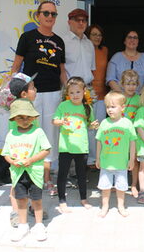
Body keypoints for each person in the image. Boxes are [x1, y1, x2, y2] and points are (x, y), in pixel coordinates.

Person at [11, 0, 67, 196]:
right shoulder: (27, 38)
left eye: (53, 14)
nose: (50, 17)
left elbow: (61, 70)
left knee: (50, 136)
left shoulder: (59, 41)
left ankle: (47, 178)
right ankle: (26, 176)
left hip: (53, 93)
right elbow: (16, 66)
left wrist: (66, 91)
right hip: (31, 95)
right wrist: (12, 90)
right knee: (30, 132)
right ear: (38, 16)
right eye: (46, 13)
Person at [1, 99, 51, 242]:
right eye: (20, 117)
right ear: (14, 119)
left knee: (37, 200)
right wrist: (12, 161)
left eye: (28, 117)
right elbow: (6, 154)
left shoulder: (38, 132)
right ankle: (23, 225)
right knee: (21, 199)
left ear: (34, 117)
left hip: (34, 172)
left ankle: (39, 225)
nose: (24, 120)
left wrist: (31, 160)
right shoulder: (11, 134)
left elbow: (46, 150)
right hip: (18, 174)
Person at [53, 77, 99, 213]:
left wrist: (94, 125)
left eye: (78, 92)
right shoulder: (63, 106)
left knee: (82, 175)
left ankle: (84, 199)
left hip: (81, 147)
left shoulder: (87, 107)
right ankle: (62, 200)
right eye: (71, 93)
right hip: (65, 146)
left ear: (84, 91)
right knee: (62, 174)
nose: (75, 95)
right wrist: (60, 122)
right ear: (67, 93)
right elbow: (54, 120)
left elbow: (90, 125)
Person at [61, 9, 97, 169]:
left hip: (87, 89)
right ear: (69, 22)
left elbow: (91, 69)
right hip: (70, 91)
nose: (81, 23)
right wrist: (66, 91)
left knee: (87, 128)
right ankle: (68, 170)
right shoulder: (62, 41)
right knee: (70, 128)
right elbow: (59, 68)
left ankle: (82, 168)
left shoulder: (89, 43)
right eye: (77, 20)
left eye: (84, 20)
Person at [95, 91, 137, 218]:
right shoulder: (104, 123)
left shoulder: (127, 124)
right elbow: (99, 142)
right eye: (108, 107)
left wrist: (131, 159)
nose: (110, 110)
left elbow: (132, 142)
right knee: (105, 186)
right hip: (106, 162)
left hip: (121, 163)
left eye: (113, 107)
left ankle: (121, 205)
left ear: (122, 107)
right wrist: (97, 158)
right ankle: (105, 206)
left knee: (121, 186)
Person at [7, 73, 38, 227]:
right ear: (24, 93)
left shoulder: (30, 106)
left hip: (31, 154)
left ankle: (32, 206)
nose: (36, 89)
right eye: (33, 87)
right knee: (16, 183)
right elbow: (14, 133)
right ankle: (15, 212)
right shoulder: (17, 108)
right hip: (19, 153)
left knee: (32, 181)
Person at [85, 24, 109, 167]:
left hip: (102, 94)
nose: (97, 37)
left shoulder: (104, 50)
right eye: (94, 34)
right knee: (88, 128)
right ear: (88, 36)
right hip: (87, 93)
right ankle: (88, 159)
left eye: (99, 35)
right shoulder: (84, 50)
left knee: (99, 128)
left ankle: (97, 159)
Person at [120, 70, 141, 197]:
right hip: (120, 134)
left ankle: (133, 184)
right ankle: (120, 183)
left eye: (133, 84)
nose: (131, 87)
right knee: (120, 159)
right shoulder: (119, 98)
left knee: (134, 160)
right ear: (122, 84)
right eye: (128, 84)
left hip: (135, 135)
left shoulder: (139, 99)